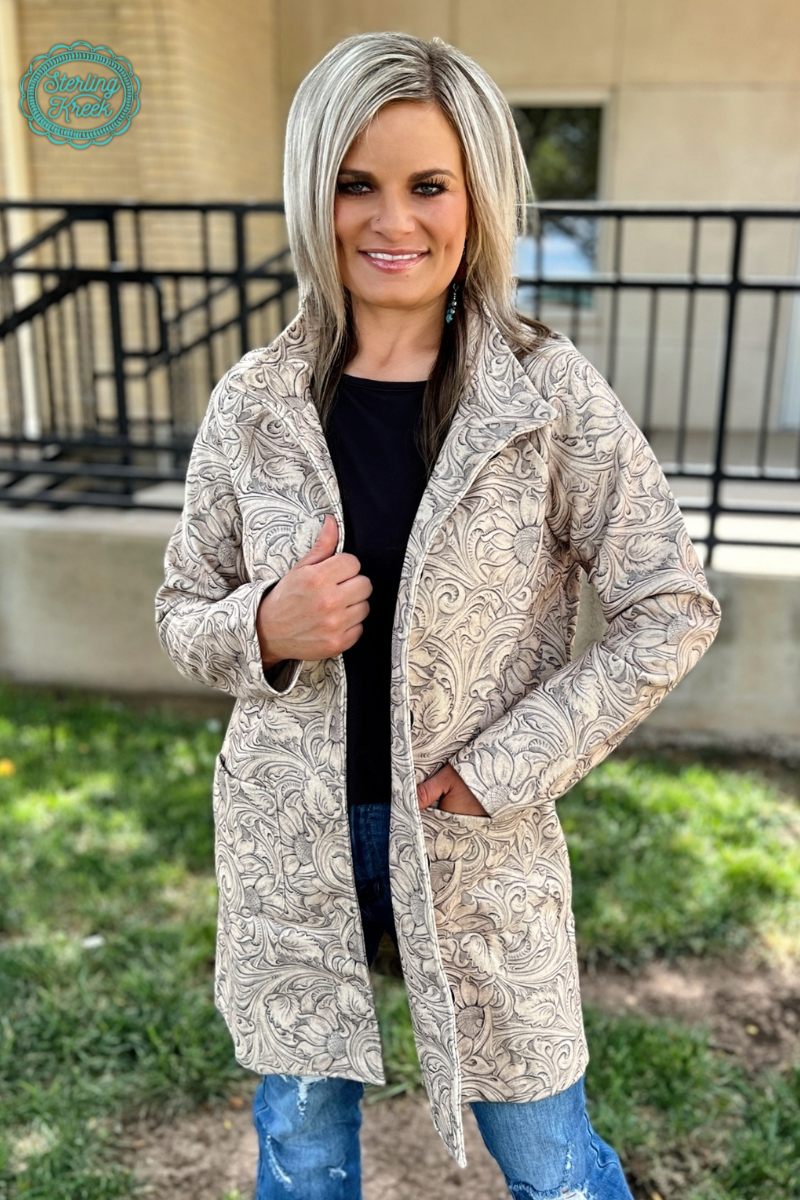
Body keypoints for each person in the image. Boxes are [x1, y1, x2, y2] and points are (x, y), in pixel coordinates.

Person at [155, 31, 721, 1200]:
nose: (390, 221)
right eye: (354, 183)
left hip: (475, 843)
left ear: (476, 198)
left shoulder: (544, 395)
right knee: (300, 1155)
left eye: (427, 185)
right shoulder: (256, 399)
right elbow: (179, 606)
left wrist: (503, 765)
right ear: (312, 193)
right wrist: (263, 628)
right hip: (289, 844)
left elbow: (669, 606)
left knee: (551, 1162)